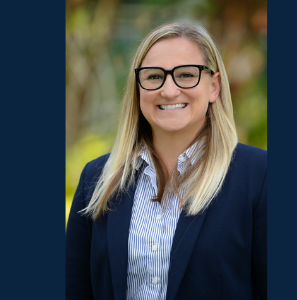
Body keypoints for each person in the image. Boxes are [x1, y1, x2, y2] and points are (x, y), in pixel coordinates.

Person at [65, 21, 267, 300]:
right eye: (153, 76)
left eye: (186, 75)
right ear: (138, 87)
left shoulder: (261, 177)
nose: (169, 90)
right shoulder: (97, 179)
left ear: (214, 86)